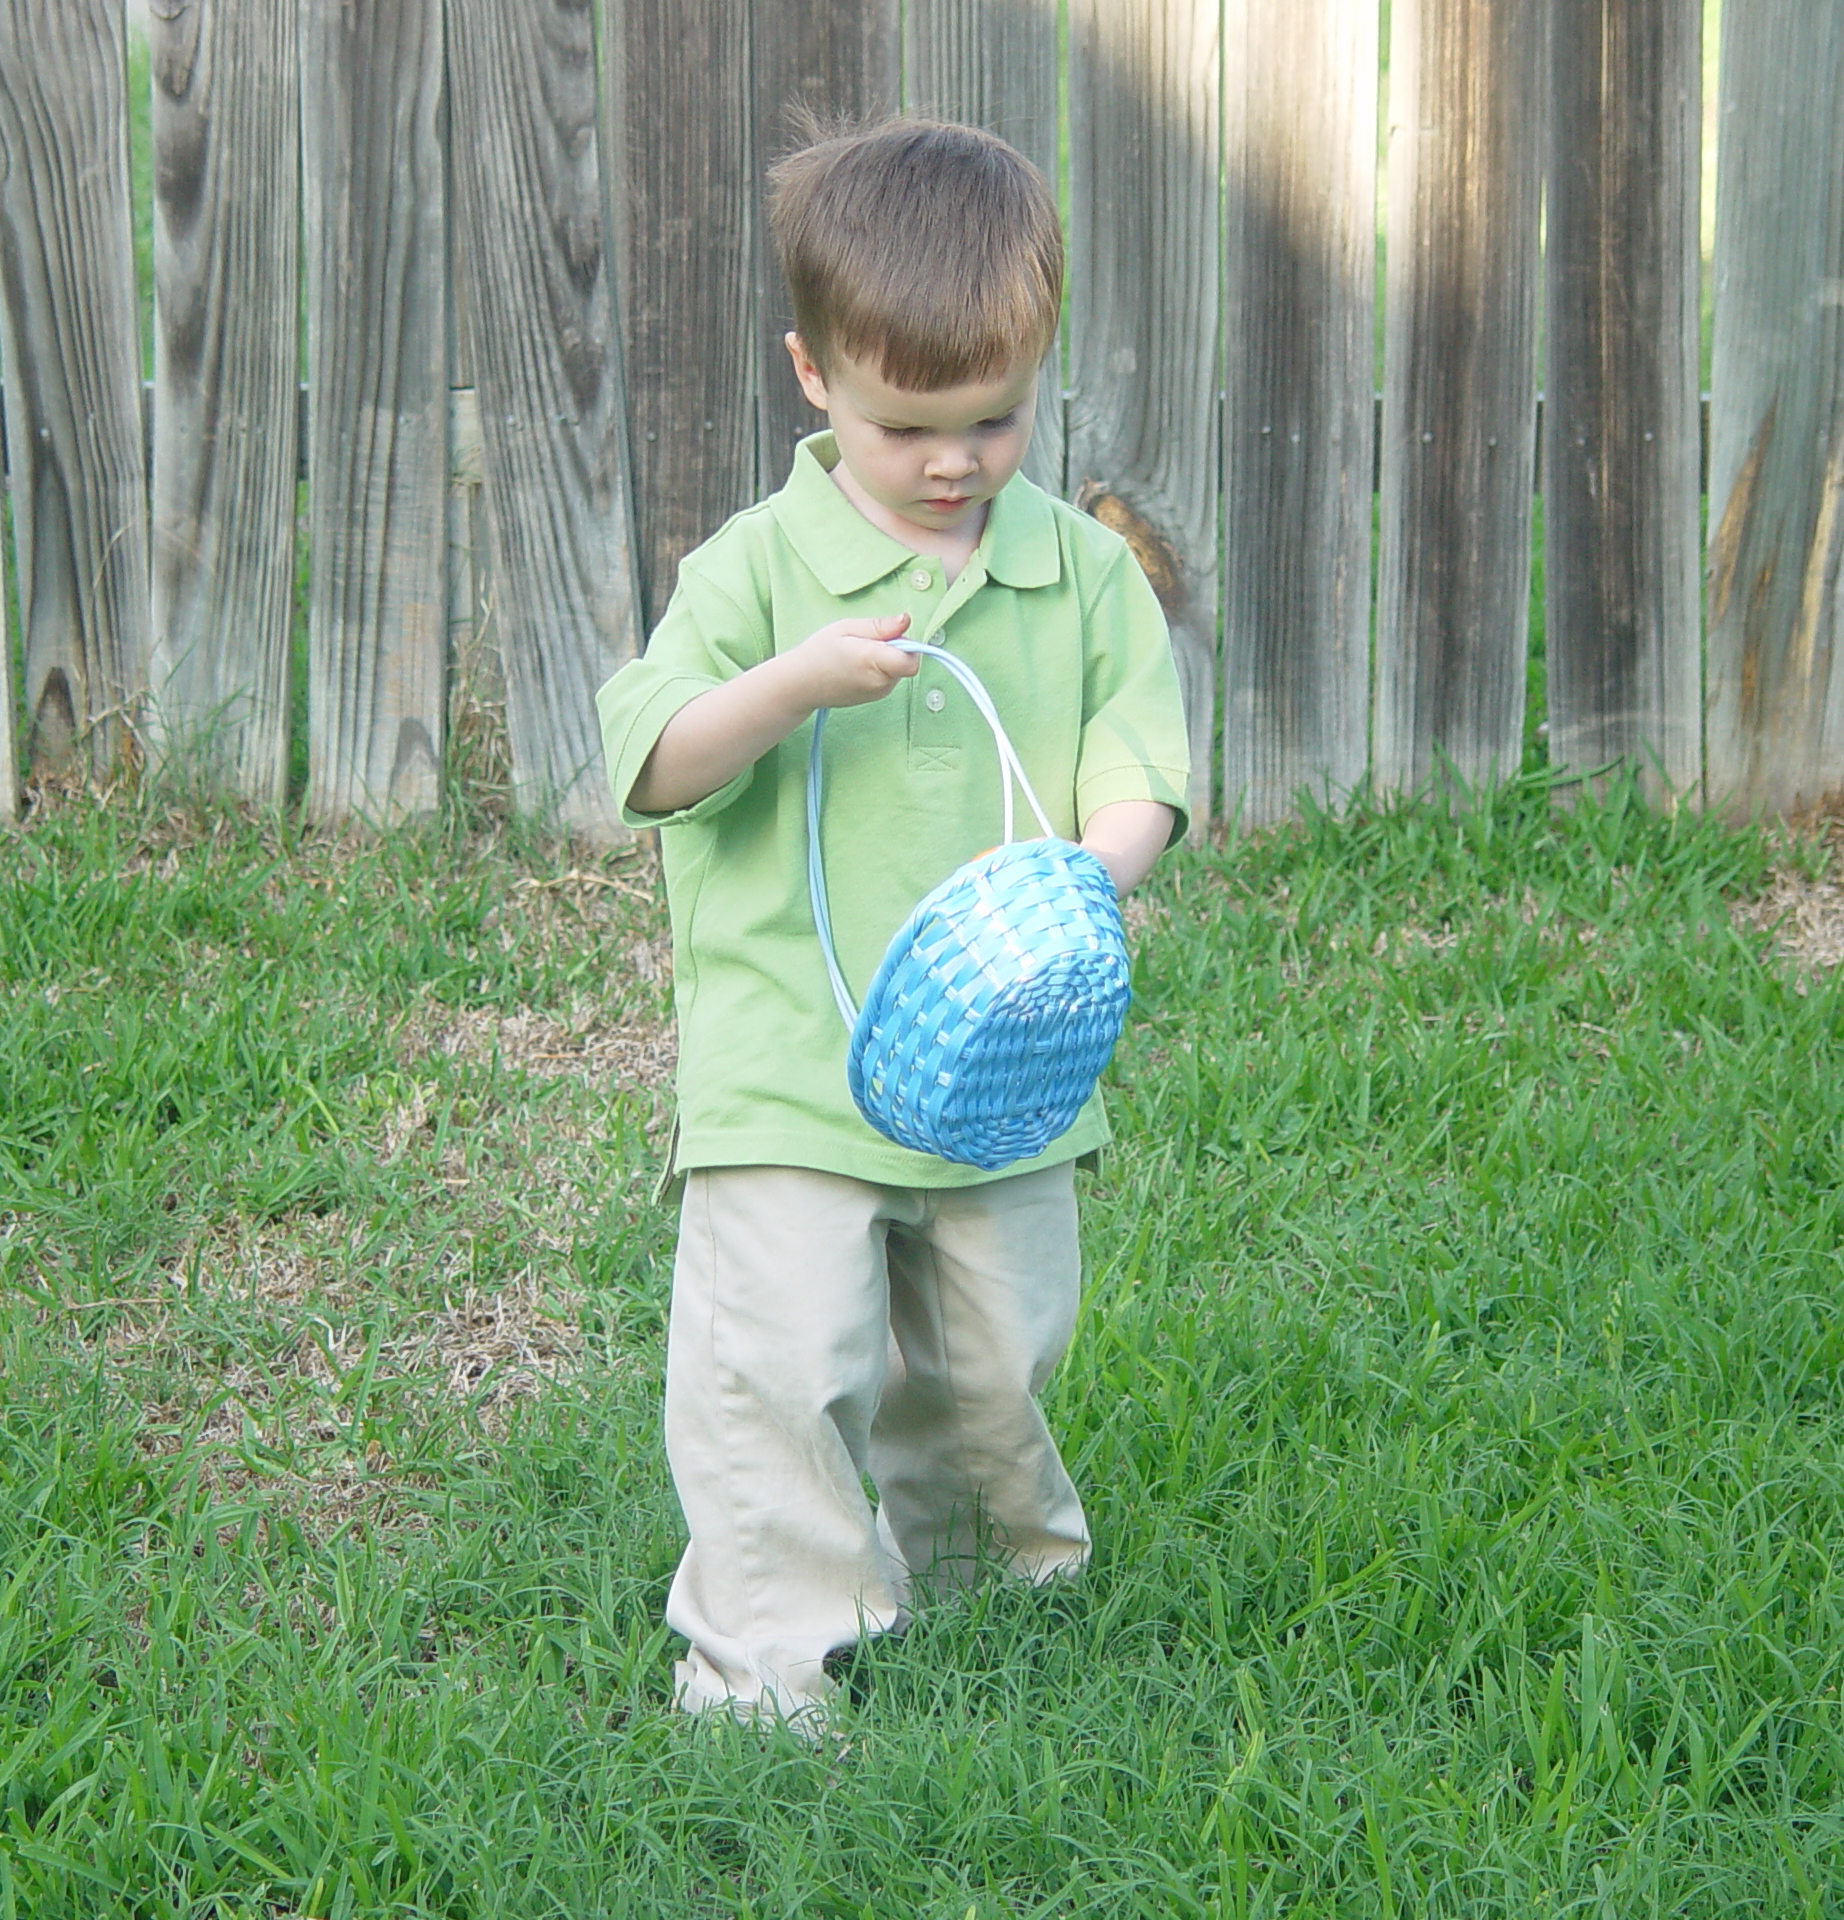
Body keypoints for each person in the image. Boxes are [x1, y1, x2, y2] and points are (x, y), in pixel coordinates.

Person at [594, 115, 1192, 1726]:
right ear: (812, 378)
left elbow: (1141, 766)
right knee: (781, 1363)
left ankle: (985, 1582)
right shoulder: (754, 573)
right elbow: (652, 758)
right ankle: (771, 1656)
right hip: (792, 1057)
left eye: (997, 420)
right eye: (909, 425)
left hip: (1003, 1061)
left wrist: (1090, 879)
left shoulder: (1078, 576)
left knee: (995, 1359)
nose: (955, 463)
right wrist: (793, 682)